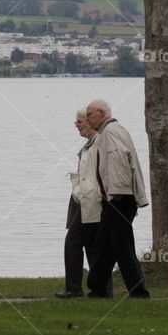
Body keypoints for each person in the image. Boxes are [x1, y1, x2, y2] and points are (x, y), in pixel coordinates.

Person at [85, 100, 150, 299]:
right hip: (117, 198)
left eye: (89, 114)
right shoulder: (114, 130)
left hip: (119, 199)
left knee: (122, 246)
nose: (87, 119)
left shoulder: (110, 132)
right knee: (104, 246)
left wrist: (117, 193)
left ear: (101, 112)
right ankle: (97, 288)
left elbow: (118, 159)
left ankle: (138, 292)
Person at [56, 109, 112, 298]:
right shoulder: (91, 145)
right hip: (89, 201)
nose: (76, 125)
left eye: (80, 121)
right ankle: (102, 289)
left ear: (90, 123)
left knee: (73, 242)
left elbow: (95, 177)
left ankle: (74, 288)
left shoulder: (96, 145)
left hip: (91, 201)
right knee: (94, 245)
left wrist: (79, 193)